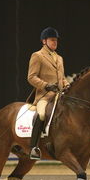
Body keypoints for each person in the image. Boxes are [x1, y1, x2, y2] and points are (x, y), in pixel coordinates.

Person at [27, 27, 70, 160]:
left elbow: (61, 77)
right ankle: (33, 148)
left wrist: (67, 84)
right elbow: (31, 77)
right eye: (52, 40)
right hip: (44, 96)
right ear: (44, 41)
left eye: (56, 40)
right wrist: (46, 85)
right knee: (41, 114)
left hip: (59, 96)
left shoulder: (59, 58)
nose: (55, 42)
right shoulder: (37, 56)